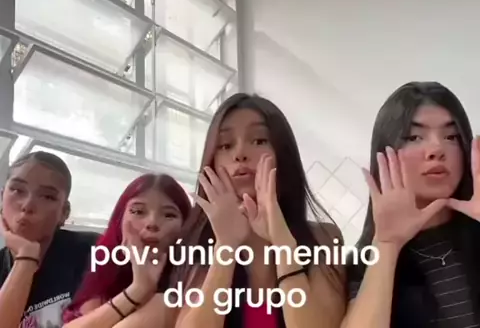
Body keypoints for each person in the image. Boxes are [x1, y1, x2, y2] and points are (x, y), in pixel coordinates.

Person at [116, 93, 346, 328]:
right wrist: (226, 245)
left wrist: (281, 240)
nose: (240, 154)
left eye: (259, 141)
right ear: (212, 163)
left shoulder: (323, 238)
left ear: (283, 154)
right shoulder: (200, 243)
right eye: (225, 145)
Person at [343, 81, 480, 328]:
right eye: (415, 137)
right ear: (385, 153)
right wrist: (387, 244)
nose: (436, 149)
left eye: (451, 136)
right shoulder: (364, 262)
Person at [63, 173, 191, 328]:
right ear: (120, 219)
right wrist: (139, 288)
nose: (152, 223)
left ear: (187, 224)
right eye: (138, 211)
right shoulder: (105, 268)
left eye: (169, 215)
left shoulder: (193, 280)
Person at [0, 151, 98, 328]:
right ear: (1, 198)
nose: (27, 205)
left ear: (64, 212)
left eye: (47, 196)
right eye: (17, 190)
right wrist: (26, 258)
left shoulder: (93, 251)